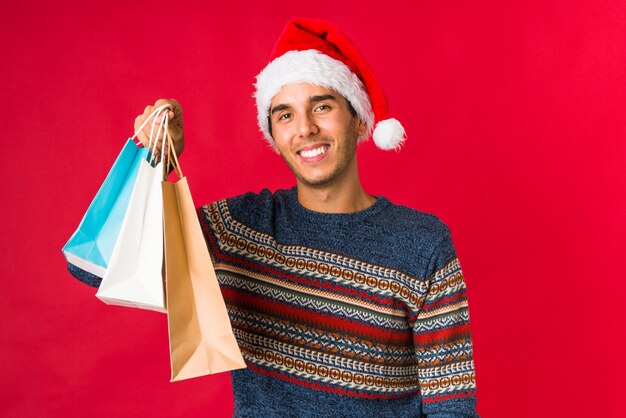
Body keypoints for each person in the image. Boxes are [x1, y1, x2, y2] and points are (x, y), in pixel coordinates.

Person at [70, 18, 479, 417]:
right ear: (274, 136)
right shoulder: (238, 230)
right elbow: (99, 268)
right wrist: (155, 155)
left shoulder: (422, 243)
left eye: (321, 106)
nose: (304, 128)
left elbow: (453, 408)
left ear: (358, 119)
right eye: (285, 115)